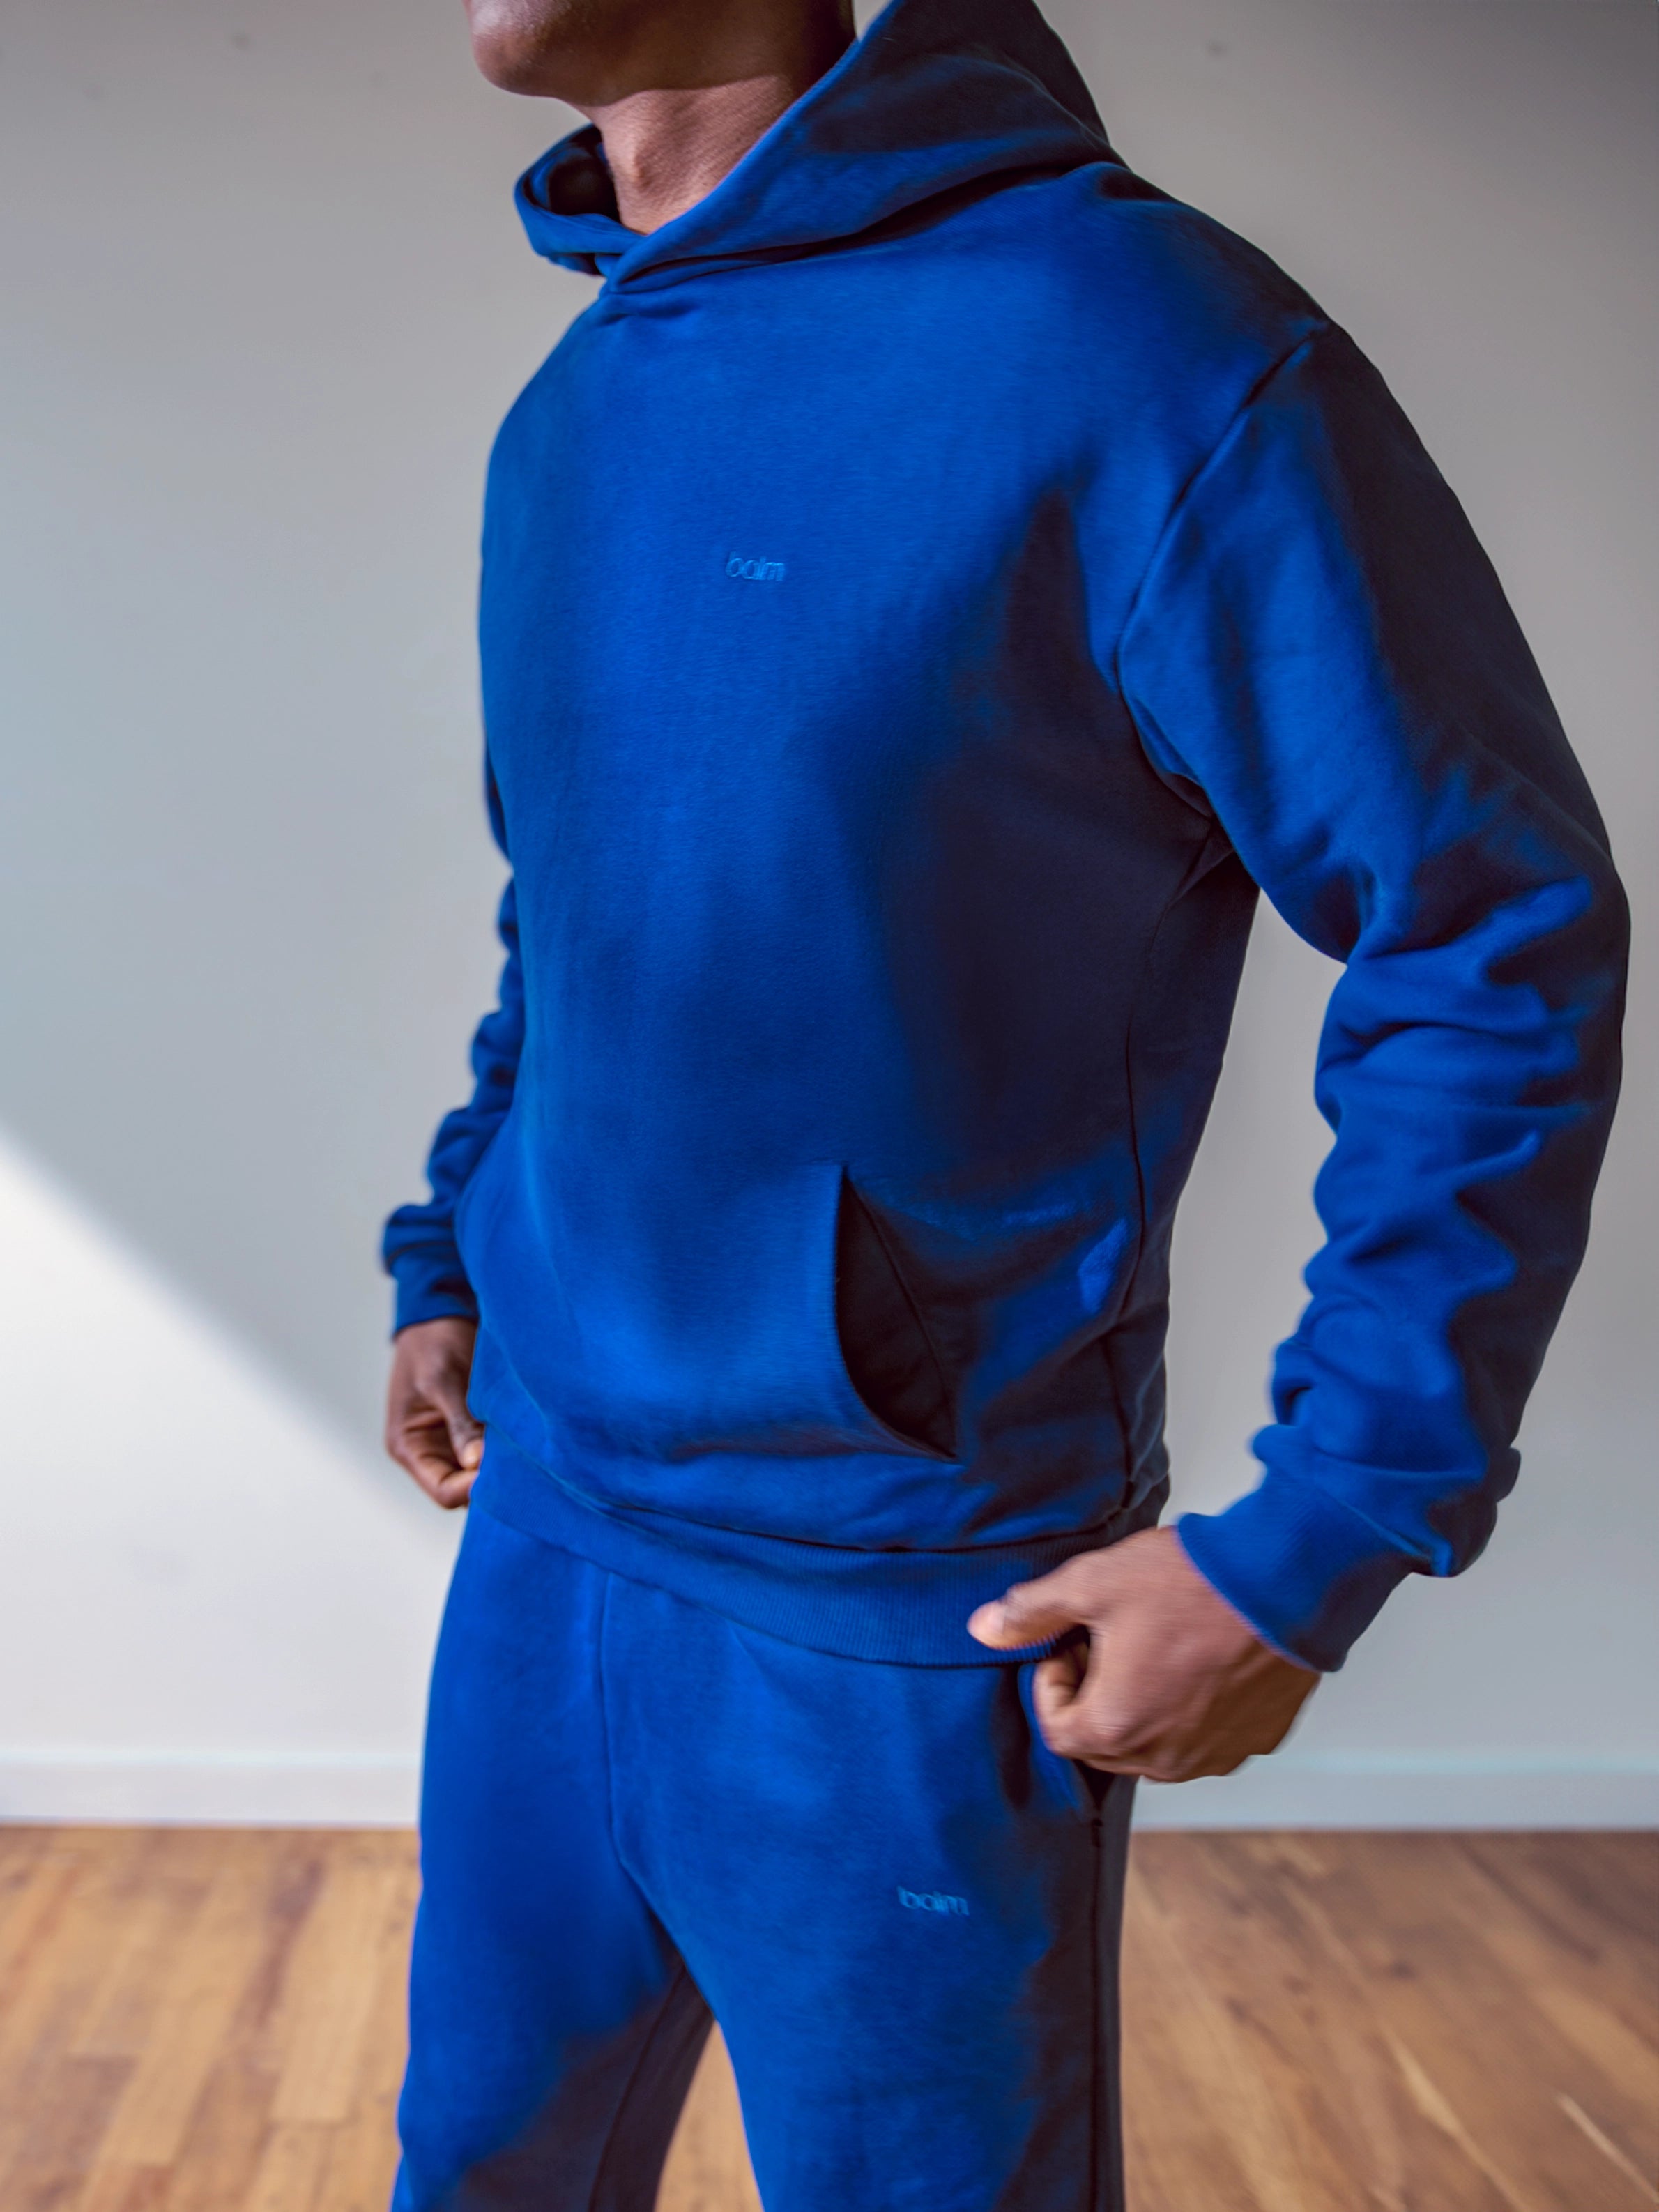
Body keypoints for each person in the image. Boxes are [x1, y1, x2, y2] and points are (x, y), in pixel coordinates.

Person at [379, 0, 1628, 2203]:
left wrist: (1322, 1527)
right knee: (473, 2172)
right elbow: (577, 919)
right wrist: (456, 1241)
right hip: (546, 1537)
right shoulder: (569, 410)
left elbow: (1486, 923)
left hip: (902, 1616)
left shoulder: (1138, 339)